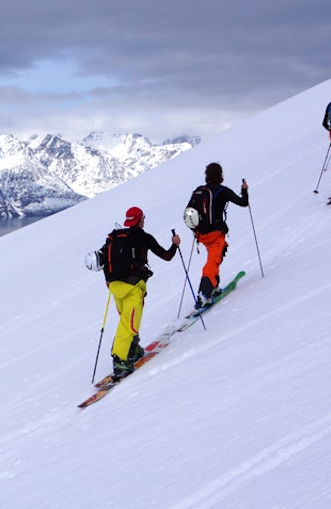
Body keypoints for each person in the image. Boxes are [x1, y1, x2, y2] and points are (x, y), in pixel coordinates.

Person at [100, 206, 181, 380]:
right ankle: (120, 360)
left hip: (115, 287)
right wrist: (175, 245)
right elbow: (167, 256)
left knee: (125, 319)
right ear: (139, 219)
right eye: (143, 217)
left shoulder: (115, 237)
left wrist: (109, 281)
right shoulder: (144, 237)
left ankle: (132, 349)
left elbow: (103, 259)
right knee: (129, 325)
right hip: (133, 287)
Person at [184, 163, 249, 310]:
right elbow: (243, 203)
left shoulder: (199, 191)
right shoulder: (222, 191)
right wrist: (244, 191)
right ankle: (204, 294)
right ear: (220, 175)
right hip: (216, 234)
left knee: (216, 257)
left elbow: (189, 214)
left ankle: (213, 287)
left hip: (201, 235)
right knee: (212, 262)